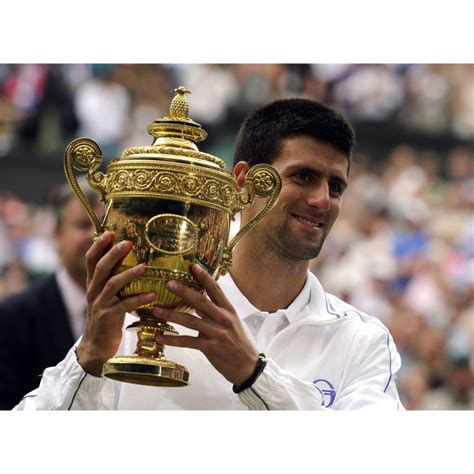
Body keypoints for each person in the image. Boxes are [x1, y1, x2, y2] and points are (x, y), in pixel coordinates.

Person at [14, 98, 404, 410]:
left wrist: (254, 375)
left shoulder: (363, 341)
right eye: (303, 176)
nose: (322, 200)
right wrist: (89, 358)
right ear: (242, 183)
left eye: (336, 186)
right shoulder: (142, 312)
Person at [0, 181, 102, 409]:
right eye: (83, 225)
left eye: (105, 226)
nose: (96, 236)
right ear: (56, 233)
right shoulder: (12, 317)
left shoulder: (134, 315)